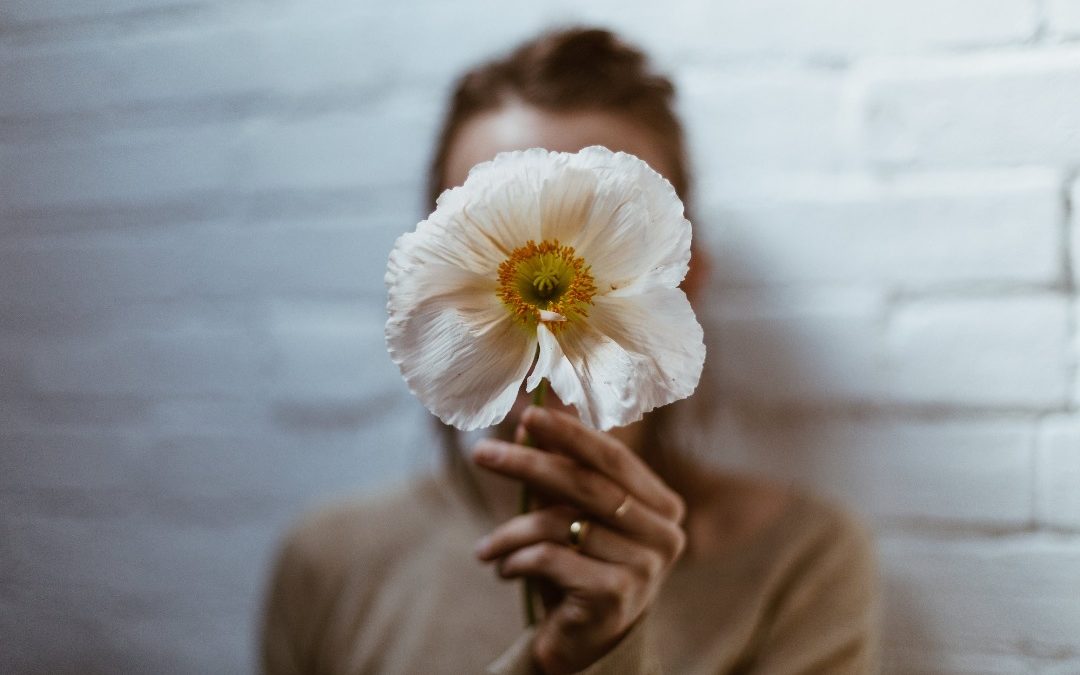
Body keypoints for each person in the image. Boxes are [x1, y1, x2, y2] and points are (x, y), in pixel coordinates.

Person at [260, 27, 880, 675]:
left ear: (685, 277)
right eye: (494, 221)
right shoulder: (328, 560)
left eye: (602, 219)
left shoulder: (799, 561)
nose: (549, 292)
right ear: (433, 279)